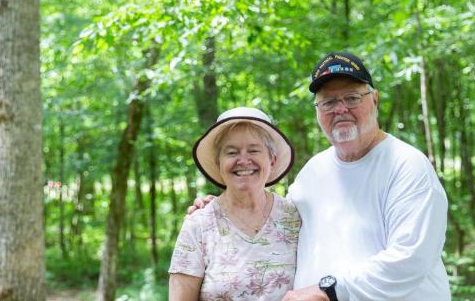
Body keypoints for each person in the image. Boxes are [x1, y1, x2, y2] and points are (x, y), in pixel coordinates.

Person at [190, 52, 451, 301]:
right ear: (318, 110)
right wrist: (225, 209)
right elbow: (273, 224)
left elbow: (410, 259)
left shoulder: (406, 165)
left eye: (352, 98)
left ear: (374, 99)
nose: (340, 109)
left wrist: (329, 291)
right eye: (329, 102)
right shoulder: (312, 173)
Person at [168, 107, 301, 301]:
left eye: (254, 150)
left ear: (272, 160)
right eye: (232, 152)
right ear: (218, 163)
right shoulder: (199, 225)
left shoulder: (296, 217)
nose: (243, 160)